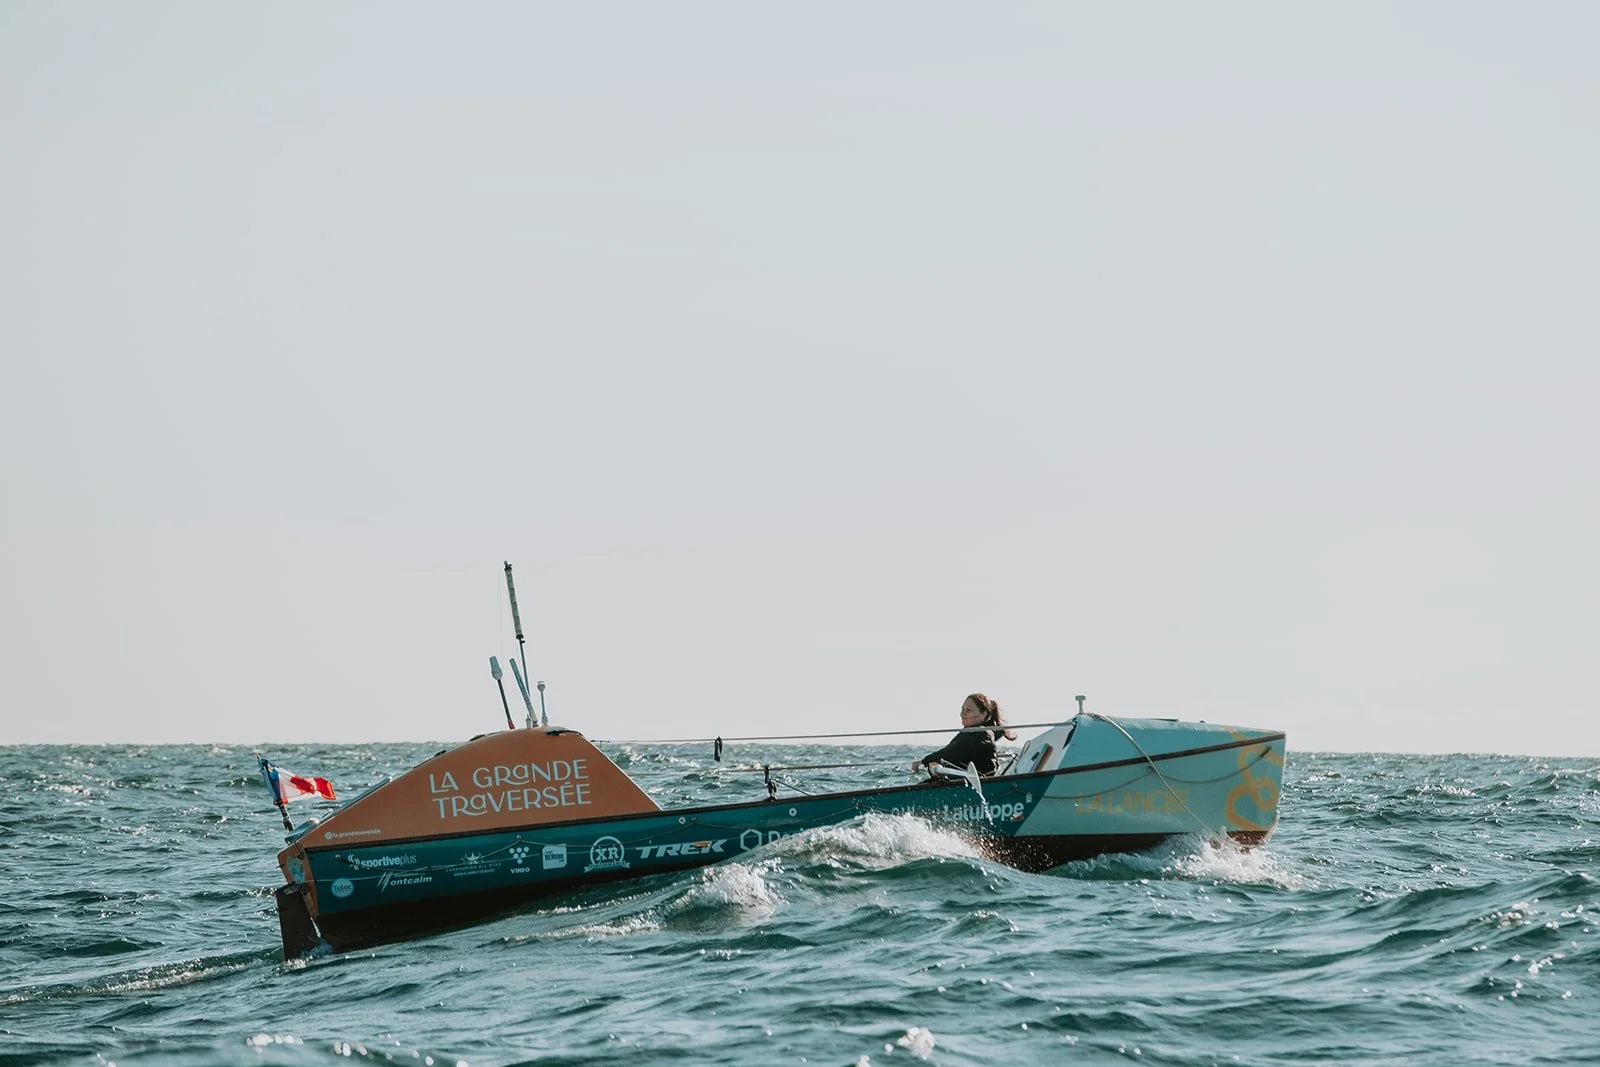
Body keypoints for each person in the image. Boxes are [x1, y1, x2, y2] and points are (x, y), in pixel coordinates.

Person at [912, 693, 1016, 777]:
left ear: (984, 714)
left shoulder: (983, 734)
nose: (963, 714)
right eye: (962, 709)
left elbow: (954, 751)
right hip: (960, 781)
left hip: (979, 783)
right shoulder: (967, 733)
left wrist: (924, 761)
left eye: (968, 710)